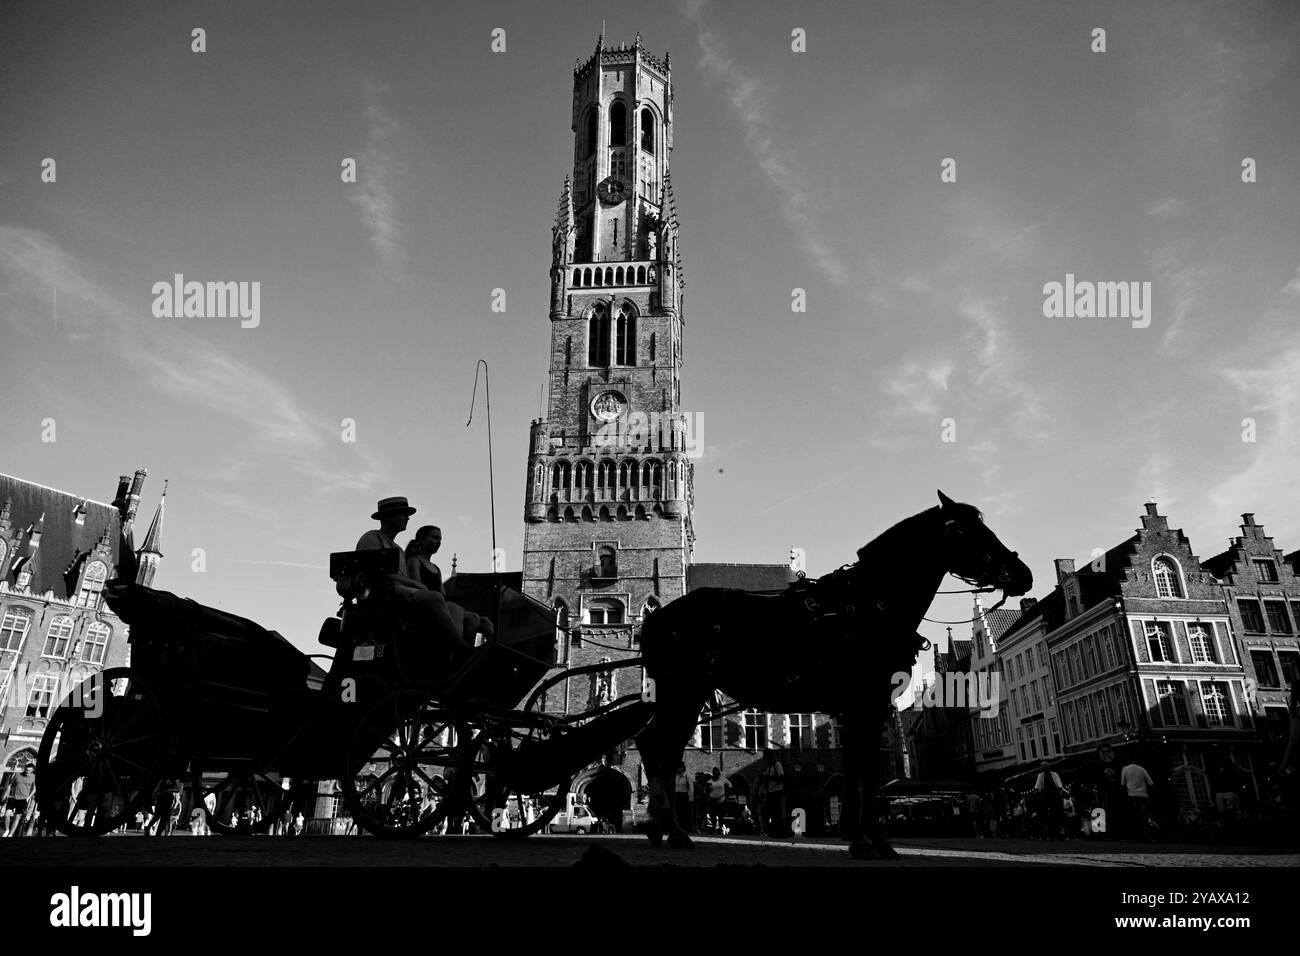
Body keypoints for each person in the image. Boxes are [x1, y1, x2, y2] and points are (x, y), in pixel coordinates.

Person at [356, 497, 481, 663]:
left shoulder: (398, 550)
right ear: (387, 517)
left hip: (399, 592)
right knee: (435, 598)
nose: (407, 518)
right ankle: (462, 651)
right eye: (403, 513)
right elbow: (370, 572)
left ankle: (454, 658)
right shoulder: (372, 538)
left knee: (456, 609)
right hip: (383, 594)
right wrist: (413, 583)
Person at [1120, 757, 1155, 842]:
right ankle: (1145, 837)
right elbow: (1151, 782)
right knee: (1144, 817)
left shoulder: (1125, 768)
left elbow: (1122, 783)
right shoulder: (1142, 769)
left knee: (1133, 816)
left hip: (1131, 795)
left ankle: (1134, 837)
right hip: (1143, 795)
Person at [404, 526, 445, 594]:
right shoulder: (414, 561)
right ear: (422, 539)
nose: (438, 542)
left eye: (440, 539)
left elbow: (443, 595)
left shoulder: (437, 569)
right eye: (435, 538)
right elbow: (417, 588)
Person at [2, 764, 37, 837]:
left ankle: (10, 834)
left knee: (17, 817)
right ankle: (7, 829)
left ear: (32, 770)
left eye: (29, 770)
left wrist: (28, 798)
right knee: (7, 813)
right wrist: (6, 795)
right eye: (26, 770)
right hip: (12, 797)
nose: (27, 771)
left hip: (23, 799)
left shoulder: (34, 777)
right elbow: (10, 785)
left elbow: (34, 789)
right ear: (25, 769)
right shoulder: (17, 775)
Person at [757, 750, 786, 836]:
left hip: (777, 791)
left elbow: (782, 777)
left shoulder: (777, 764)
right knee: (771, 812)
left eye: (765, 757)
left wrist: (769, 777)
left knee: (777, 812)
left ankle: (779, 832)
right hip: (771, 791)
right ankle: (774, 831)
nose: (764, 759)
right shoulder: (769, 766)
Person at [1033, 762, 1064, 839]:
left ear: (1048, 767)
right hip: (1046, 796)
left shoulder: (1054, 774)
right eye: (1043, 768)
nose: (1044, 769)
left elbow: (1059, 784)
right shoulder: (1040, 775)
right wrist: (1036, 790)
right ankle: (1050, 833)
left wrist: (1060, 790)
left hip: (1054, 795)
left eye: (1045, 767)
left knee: (1056, 813)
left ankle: (1057, 832)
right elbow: (1038, 785)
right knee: (1048, 815)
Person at [706, 768, 730, 832]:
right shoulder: (710, 781)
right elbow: (707, 790)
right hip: (712, 800)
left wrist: (726, 795)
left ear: (719, 773)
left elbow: (730, 786)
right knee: (712, 814)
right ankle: (714, 828)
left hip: (721, 800)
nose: (715, 774)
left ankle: (720, 829)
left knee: (720, 815)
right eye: (714, 772)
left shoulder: (723, 780)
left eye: (717, 772)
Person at [673, 763, 694, 834]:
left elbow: (691, 788)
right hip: (677, 795)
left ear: (682, 768)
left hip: (684, 796)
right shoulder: (675, 776)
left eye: (679, 768)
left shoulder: (687, 776)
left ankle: (686, 828)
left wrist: (691, 798)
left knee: (685, 813)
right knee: (677, 812)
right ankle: (678, 827)